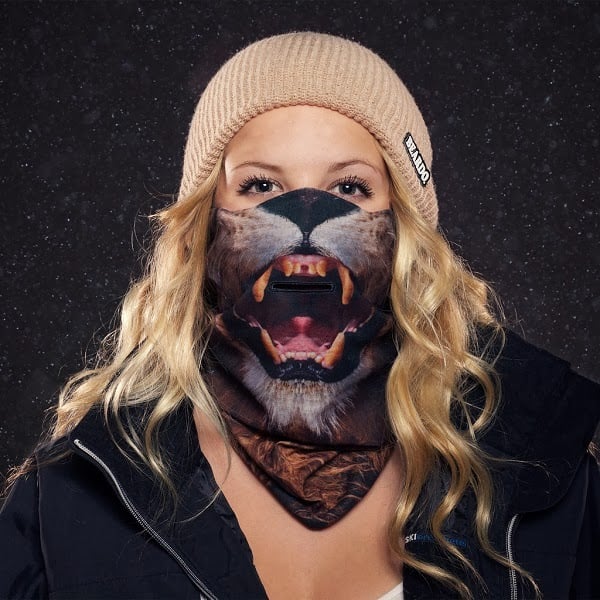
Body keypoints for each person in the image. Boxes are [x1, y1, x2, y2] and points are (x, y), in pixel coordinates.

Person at [1, 31, 599, 600]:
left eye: (351, 188)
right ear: (203, 225)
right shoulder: (75, 496)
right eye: (261, 184)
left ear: (407, 230)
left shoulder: (540, 472)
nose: (305, 213)